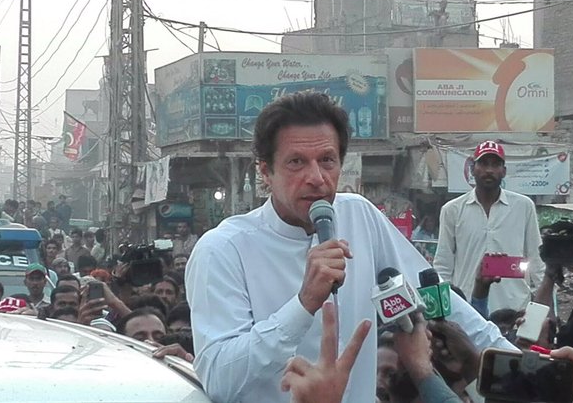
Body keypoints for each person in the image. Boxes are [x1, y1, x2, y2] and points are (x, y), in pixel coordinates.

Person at [185, 92, 514, 403]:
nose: (316, 177)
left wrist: (519, 366)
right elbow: (218, 377)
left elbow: (437, 298)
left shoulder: (359, 215)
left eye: (327, 160)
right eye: (296, 162)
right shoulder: (223, 249)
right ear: (265, 171)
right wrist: (302, 306)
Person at [434, 141, 545, 312]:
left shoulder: (523, 206)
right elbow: (443, 264)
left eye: (495, 164)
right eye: (483, 163)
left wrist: (544, 310)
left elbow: (537, 259)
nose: (489, 170)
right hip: (467, 308)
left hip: (514, 308)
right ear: (472, 169)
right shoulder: (452, 210)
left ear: (504, 171)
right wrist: (443, 312)